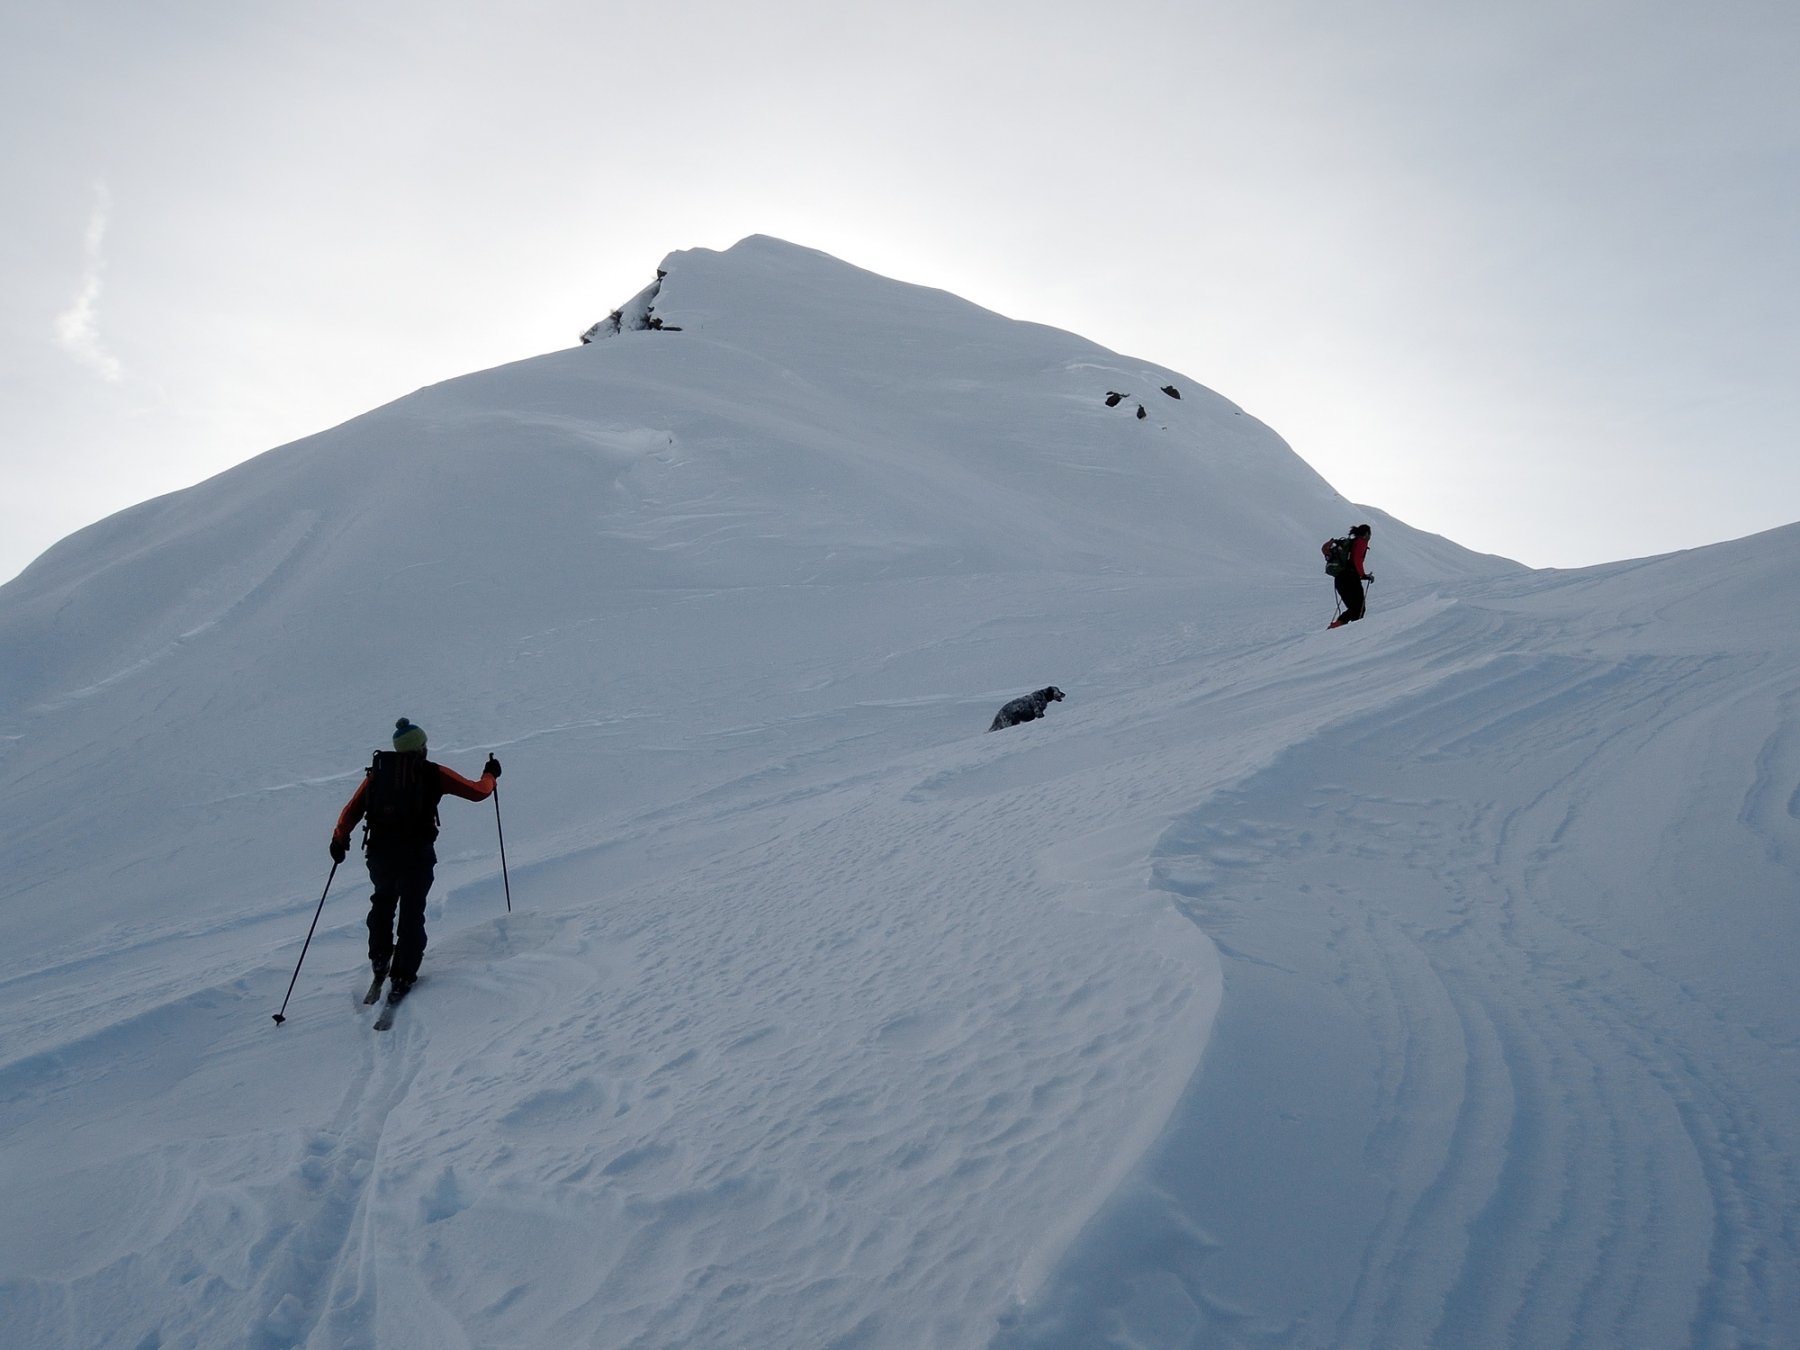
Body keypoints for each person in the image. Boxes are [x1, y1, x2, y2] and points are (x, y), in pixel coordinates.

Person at [330, 719, 501, 998]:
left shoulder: (378, 774)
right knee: (411, 911)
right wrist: (490, 774)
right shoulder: (432, 773)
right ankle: (403, 975)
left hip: (379, 854)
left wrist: (339, 839)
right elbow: (477, 792)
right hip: (416, 854)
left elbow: (351, 810)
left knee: (383, 900)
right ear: (420, 747)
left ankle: (380, 957)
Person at [1327, 523, 1374, 629]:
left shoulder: (1352, 542)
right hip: (1351, 579)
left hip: (1341, 579)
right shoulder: (1361, 542)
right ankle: (1349, 630)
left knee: (1354, 608)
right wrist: (1362, 575)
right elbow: (1356, 560)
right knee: (1358, 608)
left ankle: (1338, 626)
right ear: (1366, 534)